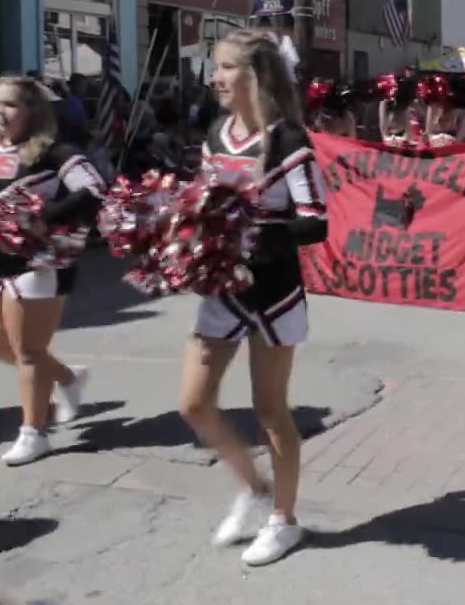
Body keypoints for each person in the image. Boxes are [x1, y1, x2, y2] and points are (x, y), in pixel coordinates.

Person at [178, 29, 329, 567]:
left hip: (273, 292)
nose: (214, 77)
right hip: (223, 286)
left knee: (270, 409)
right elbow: (203, 199)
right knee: (194, 403)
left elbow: (317, 221)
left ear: (254, 76)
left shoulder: (289, 139)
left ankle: (284, 521)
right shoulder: (217, 132)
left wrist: (268, 235)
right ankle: (253, 486)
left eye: (223, 67)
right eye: (214, 68)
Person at [0, 76, 106, 466]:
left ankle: (34, 432)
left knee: (28, 352)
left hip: (38, 264)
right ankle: (68, 378)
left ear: (33, 111)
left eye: (11, 105)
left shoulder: (54, 153)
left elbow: (94, 190)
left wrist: (45, 217)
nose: (1, 113)